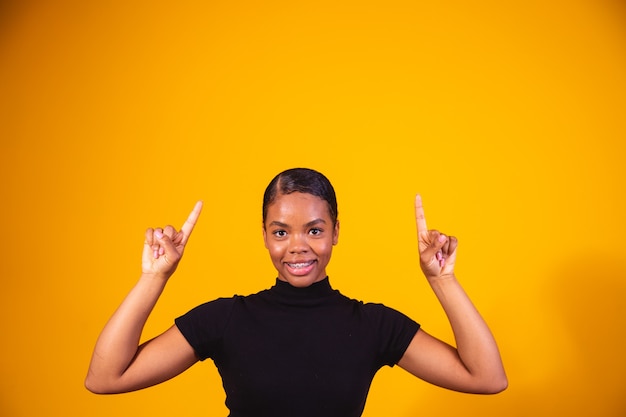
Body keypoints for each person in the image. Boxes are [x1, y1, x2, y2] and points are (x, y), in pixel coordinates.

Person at [85, 168, 507, 416]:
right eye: (281, 231)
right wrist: (155, 277)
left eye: (315, 230)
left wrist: (443, 281)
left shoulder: (373, 326)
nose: (297, 246)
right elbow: (106, 378)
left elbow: (486, 378)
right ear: (266, 237)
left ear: (336, 233)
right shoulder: (226, 320)